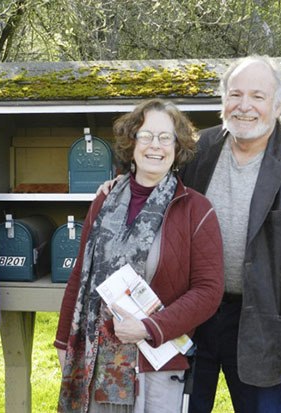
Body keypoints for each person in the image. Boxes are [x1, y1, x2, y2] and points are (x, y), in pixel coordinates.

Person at [182, 55, 281, 413]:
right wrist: (116, 186)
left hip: (262, 327)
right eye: (235, 94)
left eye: (257, 96)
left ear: (278, 105)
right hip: (192, 317)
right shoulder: (197, 150)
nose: (244, 106)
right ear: (223, 101)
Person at [54, 99, 224, 413]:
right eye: (146, 136)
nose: (154, 146)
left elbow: (208, 292)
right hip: (94, 356)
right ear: (132, 143)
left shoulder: (196, 210)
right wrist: (65, 341)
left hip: (154, 363)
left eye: (165, 137)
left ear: (178, 147)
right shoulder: (104, 199)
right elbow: (80, 274)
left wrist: (148, 326)